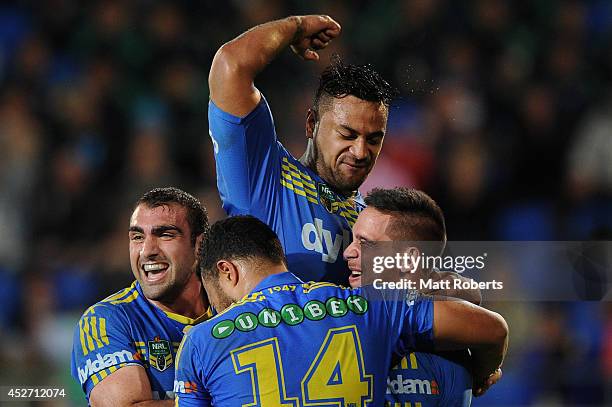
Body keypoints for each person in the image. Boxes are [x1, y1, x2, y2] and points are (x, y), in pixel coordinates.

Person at [174, 216, 508, 406]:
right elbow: (492, 329)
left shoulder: (201, 341)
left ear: (226, 272)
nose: (216, 311)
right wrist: (481, 373)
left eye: (214, 300)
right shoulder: (370, 306)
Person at [208, 14, 397, 284]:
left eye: (373, 139)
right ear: (311, 124)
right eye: (347, 134)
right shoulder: (265, 177)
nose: (360, 151)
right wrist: (295, 27)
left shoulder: (368, 226)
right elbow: (230, 63)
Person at [71, 187, 212, 406]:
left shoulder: (231, 310)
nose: (147, 250)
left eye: (165, 234)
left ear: (199, 245)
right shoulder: (106, 320)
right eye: (137, 237)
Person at [344, 187, 479, 406]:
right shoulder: (460, 324)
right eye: (352, 239)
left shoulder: (449, 340)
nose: (348, 251)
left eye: (365, 243)